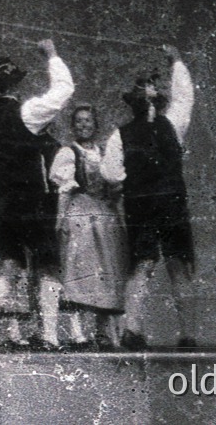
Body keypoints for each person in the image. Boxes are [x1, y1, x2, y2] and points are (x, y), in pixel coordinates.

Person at [0, 39, 74, 349]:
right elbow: (63, 91)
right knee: (47, 264)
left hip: (2, 203)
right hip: (32, 202)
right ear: (17, 84)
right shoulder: (28, 112)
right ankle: (50, 335)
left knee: (10, 266)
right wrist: (53, 55)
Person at [101, 45, 197, 349]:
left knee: (171, 264)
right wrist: (177, 61)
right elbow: (110, 173)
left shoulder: (163, 125)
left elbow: (112, 174)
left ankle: (181, 333)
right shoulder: (131, 132)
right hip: (156, 203)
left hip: (156, 203)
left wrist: (177, 62)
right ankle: (136, 330)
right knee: (150, 265)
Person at [50, 103, 128, 348]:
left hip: (105, 218)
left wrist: (121, 218)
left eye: (88, 120)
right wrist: (60, 222)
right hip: (79, 217)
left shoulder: (105, 152)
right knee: (81, 272)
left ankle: (104, 332)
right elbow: (64, 191)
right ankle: (79, 333)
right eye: (79, 121)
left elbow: (116, 190)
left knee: (107, 272)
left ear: (96, 124)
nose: (84, 125)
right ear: (73, 126)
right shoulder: (68, 153)